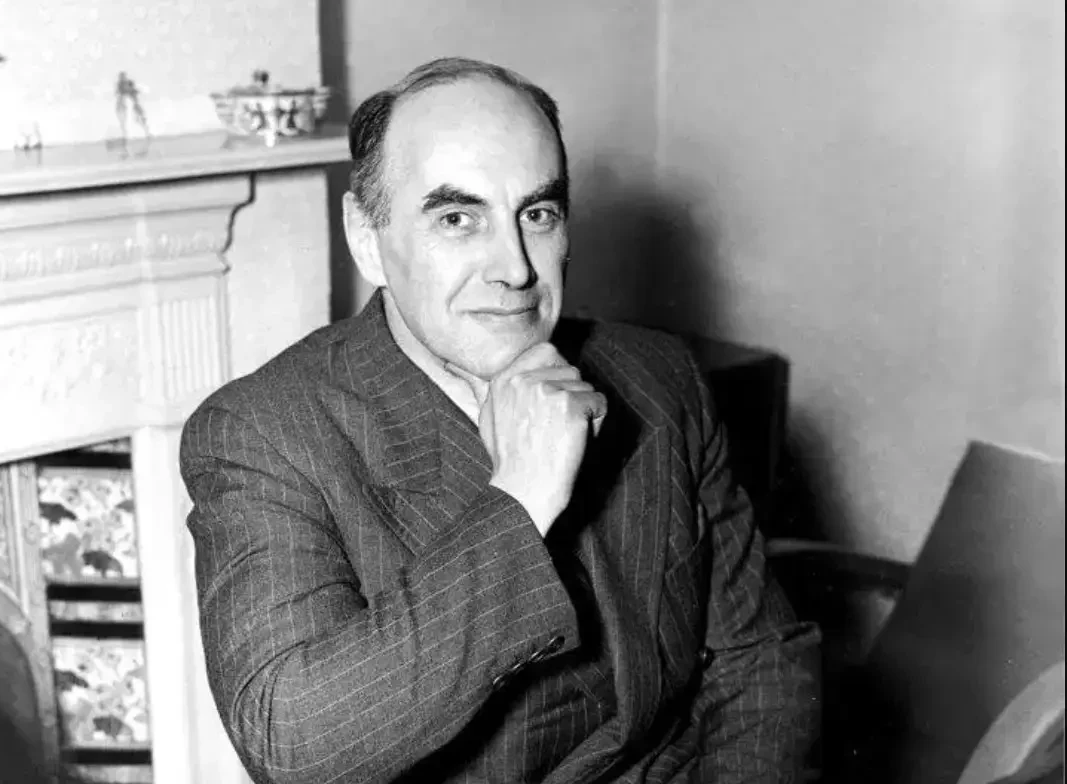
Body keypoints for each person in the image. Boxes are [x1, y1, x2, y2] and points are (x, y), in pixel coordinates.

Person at [180, 57, 820, 784]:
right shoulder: (264, 433)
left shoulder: (657, 374)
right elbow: (294, 748)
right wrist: (519, 498)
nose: (515, 268)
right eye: (458, 219)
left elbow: (760, 658)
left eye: (537, 215)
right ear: (367, 237)